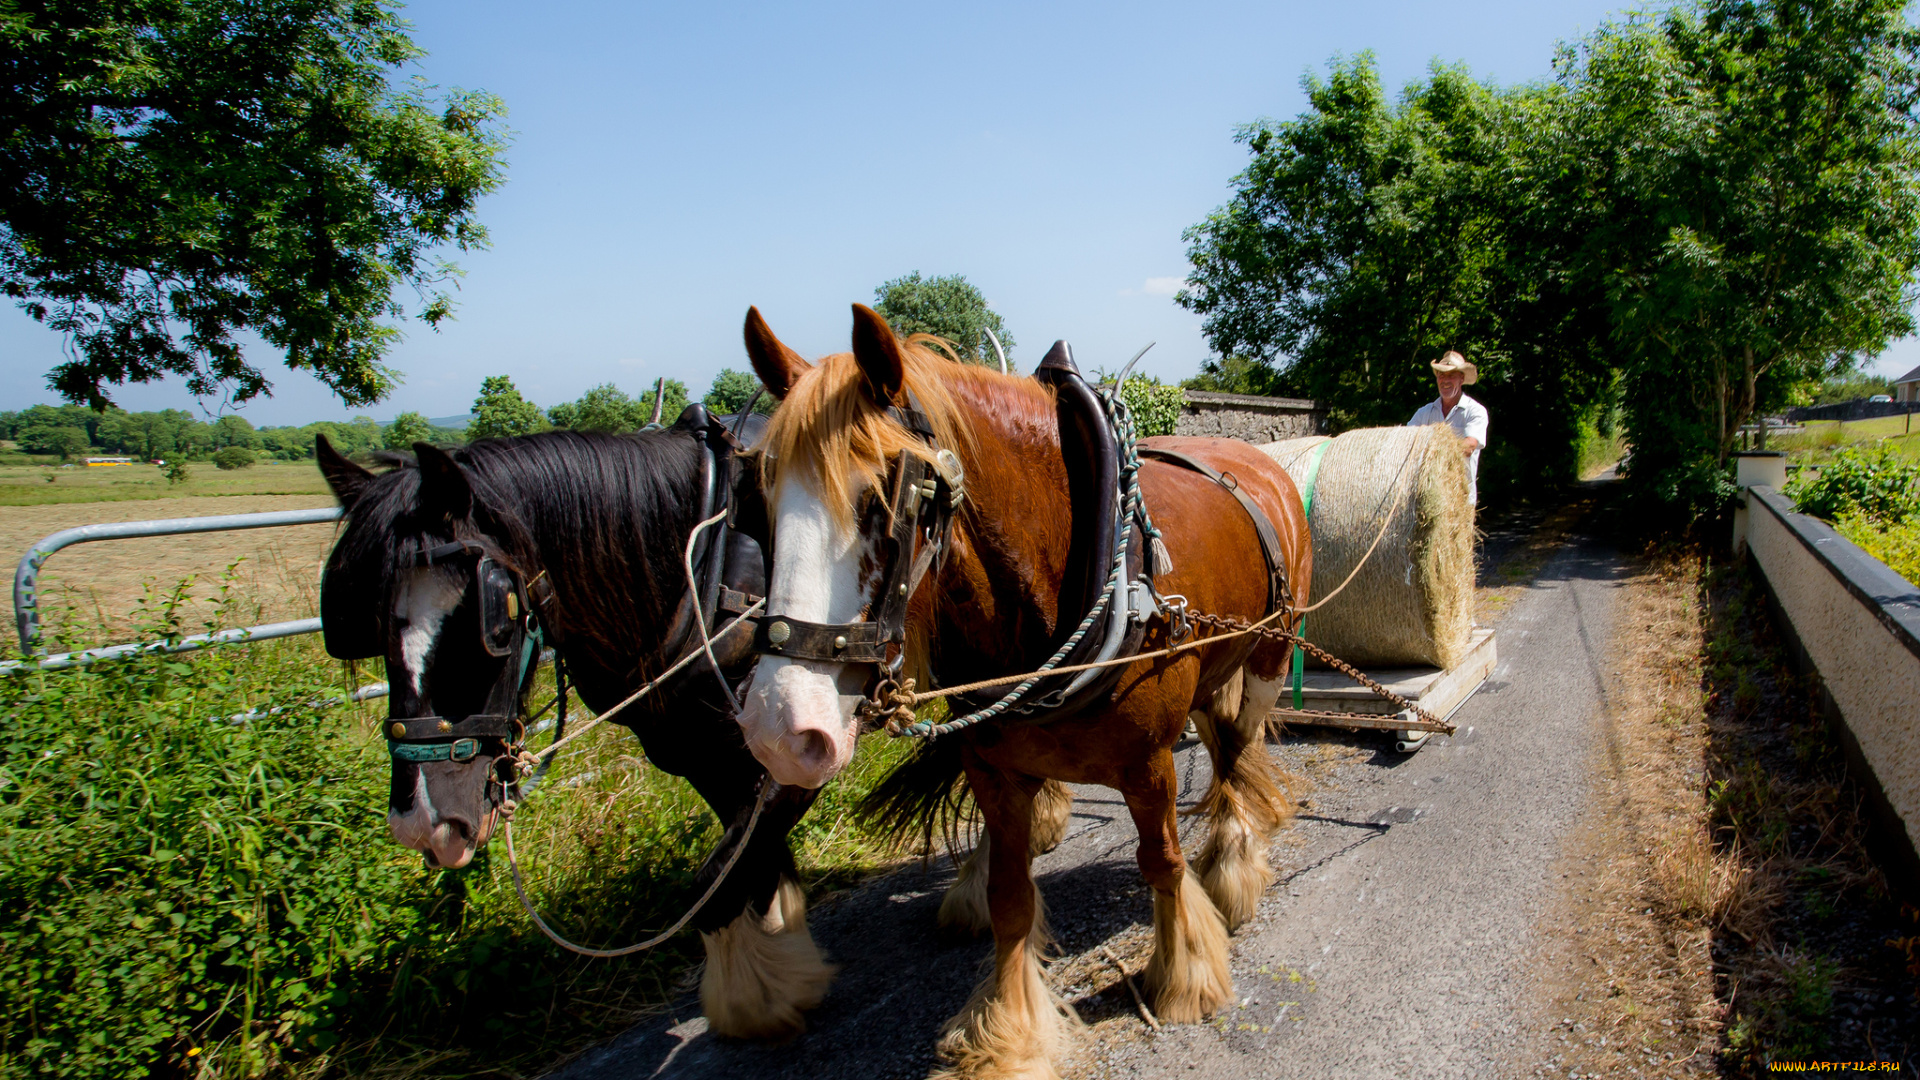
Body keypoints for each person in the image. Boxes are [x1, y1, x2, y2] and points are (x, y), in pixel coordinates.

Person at [1408, 350, 1489, 505]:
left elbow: (1470, 445)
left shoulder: (1475, 411)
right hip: (1427, 499)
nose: (1445, 380)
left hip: (1461, 499)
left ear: (1461, 379)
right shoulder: (1424, 413)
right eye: (1441, 375)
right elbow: (1405, 439)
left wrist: (1434, 453)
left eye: (1451, 375)